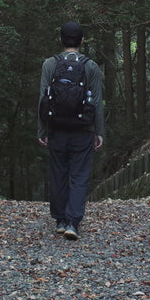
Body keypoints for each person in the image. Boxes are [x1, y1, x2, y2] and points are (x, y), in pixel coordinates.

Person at [38, 21, 105, 240]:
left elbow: (43, 99)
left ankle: (60, 219)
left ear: (61, 40)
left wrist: (42, 130)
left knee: (58, 173)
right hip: (82, 129)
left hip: (57, 128)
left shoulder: (50, 64)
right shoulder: (91, 66)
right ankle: (73, 223)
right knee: (79, 175)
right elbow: (96, 102)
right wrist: (98, 132)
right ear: (82, 41)